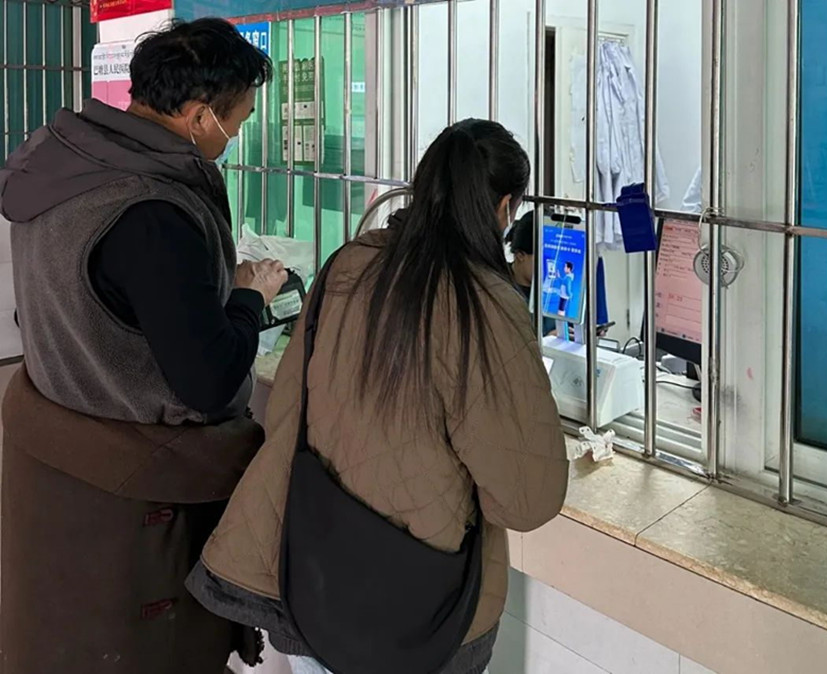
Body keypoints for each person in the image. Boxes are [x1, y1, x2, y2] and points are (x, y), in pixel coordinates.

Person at [187, 120, 570, 674]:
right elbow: (526, 498)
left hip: (316, 577)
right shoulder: (483, 304)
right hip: (421, 610)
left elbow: (292, 407)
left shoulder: (350, 263)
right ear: (505, 208)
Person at [0, 19, 288, 674]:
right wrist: (249, 297)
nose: (234, 136)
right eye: (237, 121)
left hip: (54, 462)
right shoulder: (152, 210)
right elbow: (209, 380)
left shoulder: (61, 162)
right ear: (198, 116)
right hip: (131, 492)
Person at [505, 211, 557, 335]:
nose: (551, 266)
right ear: (520, 255)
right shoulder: (500, 290)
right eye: (544, 258)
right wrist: (545, 341)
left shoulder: (555, 289)